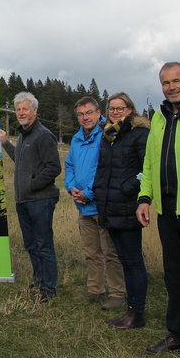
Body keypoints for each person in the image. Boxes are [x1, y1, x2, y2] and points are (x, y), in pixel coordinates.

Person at [138, 62, 180, 358]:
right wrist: (144, 197)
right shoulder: (159, 118)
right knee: (174, 276)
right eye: (166, 82)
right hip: (168, 211)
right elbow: (149, 162)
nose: (171, 87)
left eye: (177, 81)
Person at [93, 92, 149, 329]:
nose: (115, 112)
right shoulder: (108, 135)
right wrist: (98, 189)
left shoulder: (139, 134)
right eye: (112, 109)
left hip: (127, 206)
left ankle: (136, 313)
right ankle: (131, 309)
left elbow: (147, 169)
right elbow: (104, 168)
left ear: (130, 110)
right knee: (124, 260)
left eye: (120, 108)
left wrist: (128, 189)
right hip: (109, 206)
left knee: (133, 261)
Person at [0, 92, 61, 303]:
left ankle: (49, 290)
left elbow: (54, 167)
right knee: (32, 245)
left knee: (43, 245)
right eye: (18, 109)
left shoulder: (43, 135)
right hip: (24, 201)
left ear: (35, 110)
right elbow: (21, 160)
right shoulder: (25, 135)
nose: (21, 112)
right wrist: (6, 143)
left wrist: (32, 184)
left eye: (25, 108)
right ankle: (39, 282)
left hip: (40, 200)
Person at [65, 97, 126, 310]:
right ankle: (95, 290)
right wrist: (71, 187)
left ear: (99, 112)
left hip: (102, 204)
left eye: (89, 113)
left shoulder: (107, 135)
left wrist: (89, 193)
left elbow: (106, 168)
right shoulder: (76, 139)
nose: (85, 117)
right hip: (82, 205)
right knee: (91, 251)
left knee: (110, 251)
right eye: (81, 114)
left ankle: (117, 293)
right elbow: (70, 164)